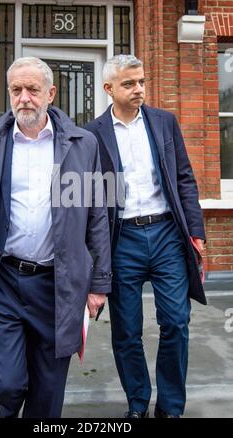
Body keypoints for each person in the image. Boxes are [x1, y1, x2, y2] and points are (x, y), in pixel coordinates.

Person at [0, 57, 112, 418]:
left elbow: (97, 217)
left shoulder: (83, 145)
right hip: (1, 281)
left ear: (50, 94)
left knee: (47, 394)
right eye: (16, 90)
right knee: (8, 384)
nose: (24, 98)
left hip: (58, 285)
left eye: (33, 90)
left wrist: (98, 284)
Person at [85, 55, 206, 419]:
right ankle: (137, 403)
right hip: (122, 240)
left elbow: (184, 177)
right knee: (126, 331)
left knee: (175, 322)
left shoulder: (164, 122)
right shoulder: (92, 134)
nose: (138, 89)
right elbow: (89, 197)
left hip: (167, 233)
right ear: (109, 89)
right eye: (129, 84)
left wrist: (196, 232)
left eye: (141, 82)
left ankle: (170, 407)